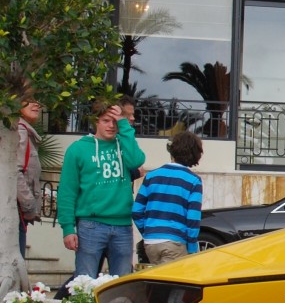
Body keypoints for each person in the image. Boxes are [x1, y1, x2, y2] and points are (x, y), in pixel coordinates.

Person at [57, 99, 147, 277]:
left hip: (122, 225)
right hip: (91, 225)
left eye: (115, 121)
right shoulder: (78, 149)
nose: (111, 126)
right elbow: (67, 191)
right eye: (106, 120)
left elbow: (137, 161)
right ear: (96, 121)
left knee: (122, 285)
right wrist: (68, 228)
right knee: (85, 282)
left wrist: (124, 125)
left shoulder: (124, 145)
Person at [132, 130, 204, 265]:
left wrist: (148, 231)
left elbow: (136, 211)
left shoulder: (151, 176)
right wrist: (192, 248)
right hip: (175, 242)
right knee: (174, 284)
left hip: (150, 242)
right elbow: (193, 219)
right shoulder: (193, 181)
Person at [15, 94, 42, 259]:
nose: (36, 105)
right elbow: (15, 172)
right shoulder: (20, 130)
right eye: (30, 100)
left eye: (37, 100)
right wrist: (29, 205)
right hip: (17, 211)